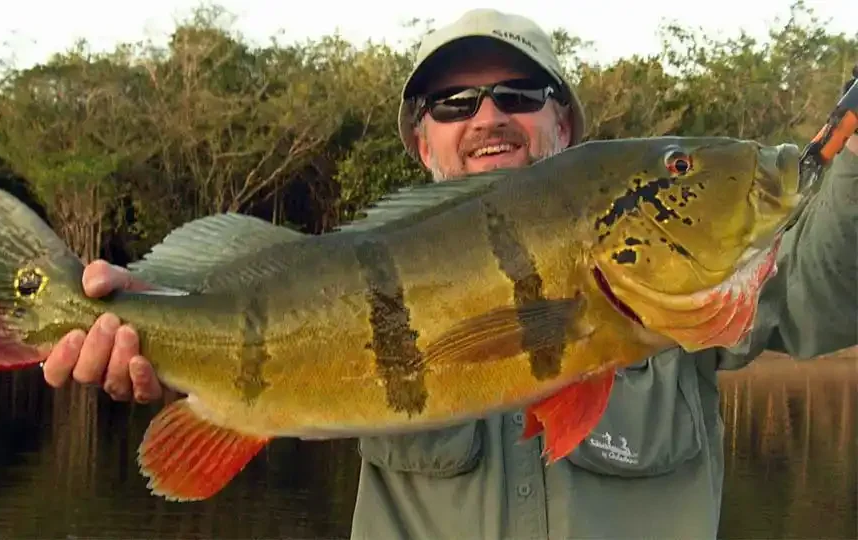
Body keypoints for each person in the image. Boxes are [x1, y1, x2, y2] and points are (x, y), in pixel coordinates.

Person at [42, 9, 858, 539]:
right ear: (422, 144)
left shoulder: (702, 295)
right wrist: (130, 321)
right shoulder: (347, 270)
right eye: (452, 104)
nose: (488, 117)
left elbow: (829, 291)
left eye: (517, 93)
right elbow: (203, 317)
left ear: (564, 125)